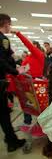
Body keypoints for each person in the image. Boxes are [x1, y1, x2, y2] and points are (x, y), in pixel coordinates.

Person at [0, 13, 26, 152]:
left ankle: (9, 137)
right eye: (10, 24)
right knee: (3, 113)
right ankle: (12, 141)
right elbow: (2, 61)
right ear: (6, 23)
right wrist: (16, 71)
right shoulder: (3, 39)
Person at [12, 31, 45, 126]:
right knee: (25, 102)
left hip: (36, 82)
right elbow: (24, 68)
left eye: (33, 46)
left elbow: (28, 44)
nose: (30, 48)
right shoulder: (29, 57)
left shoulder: (39, 54)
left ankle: (41, 123)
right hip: (26, 82)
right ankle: (27, 121)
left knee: (38, 105)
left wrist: (18, 34)